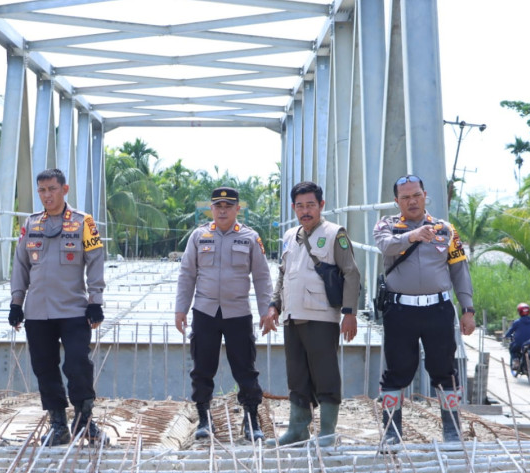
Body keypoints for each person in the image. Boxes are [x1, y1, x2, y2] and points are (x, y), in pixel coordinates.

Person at [8, 168, 108, 446]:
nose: (47, 195)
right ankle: (58, 425)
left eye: (52, 189)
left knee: (78, 364)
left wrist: (96, 301)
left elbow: (95, 261)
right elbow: (20, 265)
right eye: (42, 190)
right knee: (44, 368)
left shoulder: (83, 222)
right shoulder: (31, 223)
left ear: (64, 190)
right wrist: (16, 302)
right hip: (37, 312)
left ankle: (85, 421)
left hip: (73, 309)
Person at [373, 174, 475, 444]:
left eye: (417, 195)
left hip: (438, 311)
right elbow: (385, 246)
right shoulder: (387, 225)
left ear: (425, 195)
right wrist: (413, 236)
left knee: (445, 369)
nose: (412, 201)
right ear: (397, 201)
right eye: (405, 197)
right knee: (396, 371)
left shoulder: (445, 229)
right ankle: (391, 432)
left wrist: (468, 309)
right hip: (400, 311)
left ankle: (452, 430)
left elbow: (459, 270)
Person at [262, 181, 360, 447]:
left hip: (321, 316)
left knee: (325, 374)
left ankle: (327, 433)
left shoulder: (335, 233)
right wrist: (274, 305)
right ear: (293, 207)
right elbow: (283, 274)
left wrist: (349, 313)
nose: (305, 211)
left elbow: (351, 273)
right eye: (300, 206)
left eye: (310, 205)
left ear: (321, 205)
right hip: (292, 316)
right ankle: (297, 430)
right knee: (297, 375)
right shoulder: (289, 235)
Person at [175, 186, 274, 442]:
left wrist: (266, 311)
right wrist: (181, 309)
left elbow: (262, 277)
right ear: (211, 208)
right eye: (218, 206)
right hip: (205, 312)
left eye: (228, 206)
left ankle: (251, 419)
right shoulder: (199, 236)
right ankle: (204, 418)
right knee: (202, 368)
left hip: (238, 313)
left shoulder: (250, 238)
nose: (222, 211)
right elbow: (187, 274)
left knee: (245, 369)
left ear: (237, 209)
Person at [505, 303, 530, 373]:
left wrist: (506, 336)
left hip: (520, 343)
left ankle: (516, 361)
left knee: (513, 350)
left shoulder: (517, 322)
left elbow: (510, 330)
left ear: (519, 312)